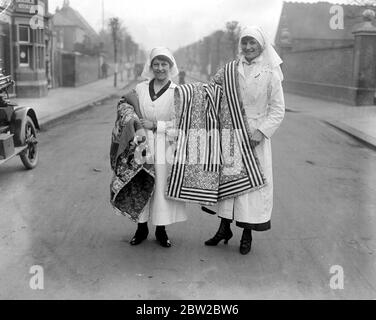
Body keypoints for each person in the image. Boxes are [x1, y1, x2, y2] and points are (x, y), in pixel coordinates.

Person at [204, 26, 285, 255]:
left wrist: (260, 133)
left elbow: (278, 109)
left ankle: (247, 233)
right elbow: (211, 92)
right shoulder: (229, 70)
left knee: (250, 187)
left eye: (253, 43)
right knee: (227, 184)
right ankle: (223, 228)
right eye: (245, 43)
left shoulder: (270, 72)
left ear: (261, 46)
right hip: (230, 133)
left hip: (254, 136)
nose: (248, 47)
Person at [126, 47, 187, 248]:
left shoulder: (176, 91)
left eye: (164, 64)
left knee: (160, 186)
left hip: (164, 145)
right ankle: (141, 228)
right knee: (141, 184)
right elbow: (129, 108)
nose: (160, 68)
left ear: (170, 67)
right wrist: (133, 122)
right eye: (156, 64)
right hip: (141, 144)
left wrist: (157, 125)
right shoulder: (141, 88)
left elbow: (180, 124)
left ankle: (161, 229)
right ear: (150, 66)